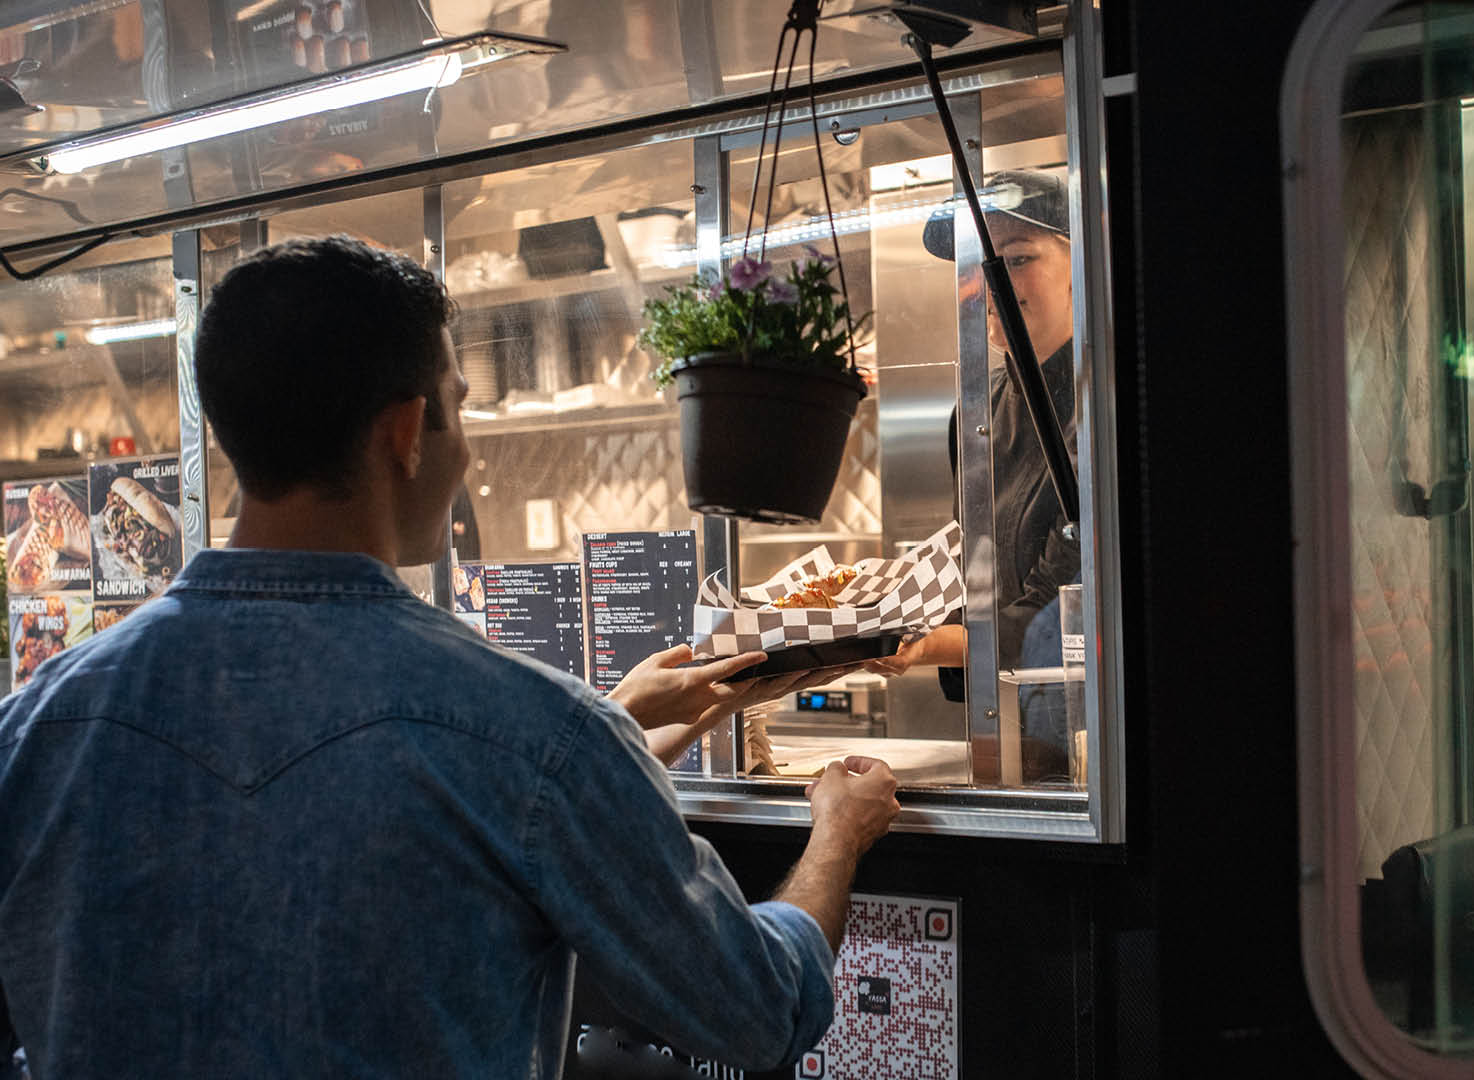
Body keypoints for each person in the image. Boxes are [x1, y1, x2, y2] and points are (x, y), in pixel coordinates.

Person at [0, 235, 897, 1078]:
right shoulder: (538, 734)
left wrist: (609, 727)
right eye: (459, 405)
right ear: (403, 431)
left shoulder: (40, 722)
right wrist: (838, 832)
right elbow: (757, 1009)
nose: (462, 446)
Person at [866, 169, 1081, 783]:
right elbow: (972, 572)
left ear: (1079, 265)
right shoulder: (976, 410)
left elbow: (1060, 608)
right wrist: (887, 610)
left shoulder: (1106, 404)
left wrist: (923, 644)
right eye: (976, 266)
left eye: (1016, 259)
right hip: (1010, 730)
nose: (990, 286)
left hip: (1102, 731)